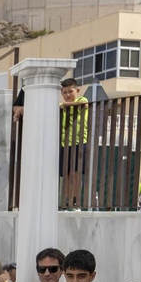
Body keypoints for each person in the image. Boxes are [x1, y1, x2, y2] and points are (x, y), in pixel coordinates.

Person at [59, 76, 90, 206]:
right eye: (64, 92)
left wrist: (64, 105)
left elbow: (84, 104)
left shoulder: (82, 99)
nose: (67, 95)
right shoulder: (62, 108)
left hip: (79, 142)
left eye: (70, 91)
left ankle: (75, 199)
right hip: (64, 143)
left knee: (76, 173)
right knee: (65, 173)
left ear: (77, 90)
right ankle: (66, 199)